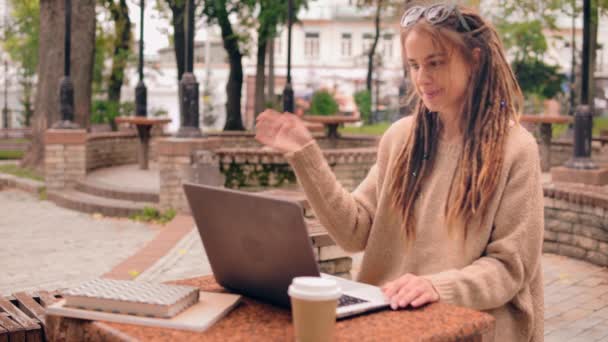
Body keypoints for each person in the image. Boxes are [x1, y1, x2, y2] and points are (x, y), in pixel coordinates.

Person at [255, 3, 543, 342]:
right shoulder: (402, 138)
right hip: (392, 312)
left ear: (475, 59)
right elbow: (354, 232)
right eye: (415, 65)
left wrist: (437, 286)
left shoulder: (515, 149)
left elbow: (510, 268)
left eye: (436, 62)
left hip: (475, 323)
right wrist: (306, 155)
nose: (423, 78)